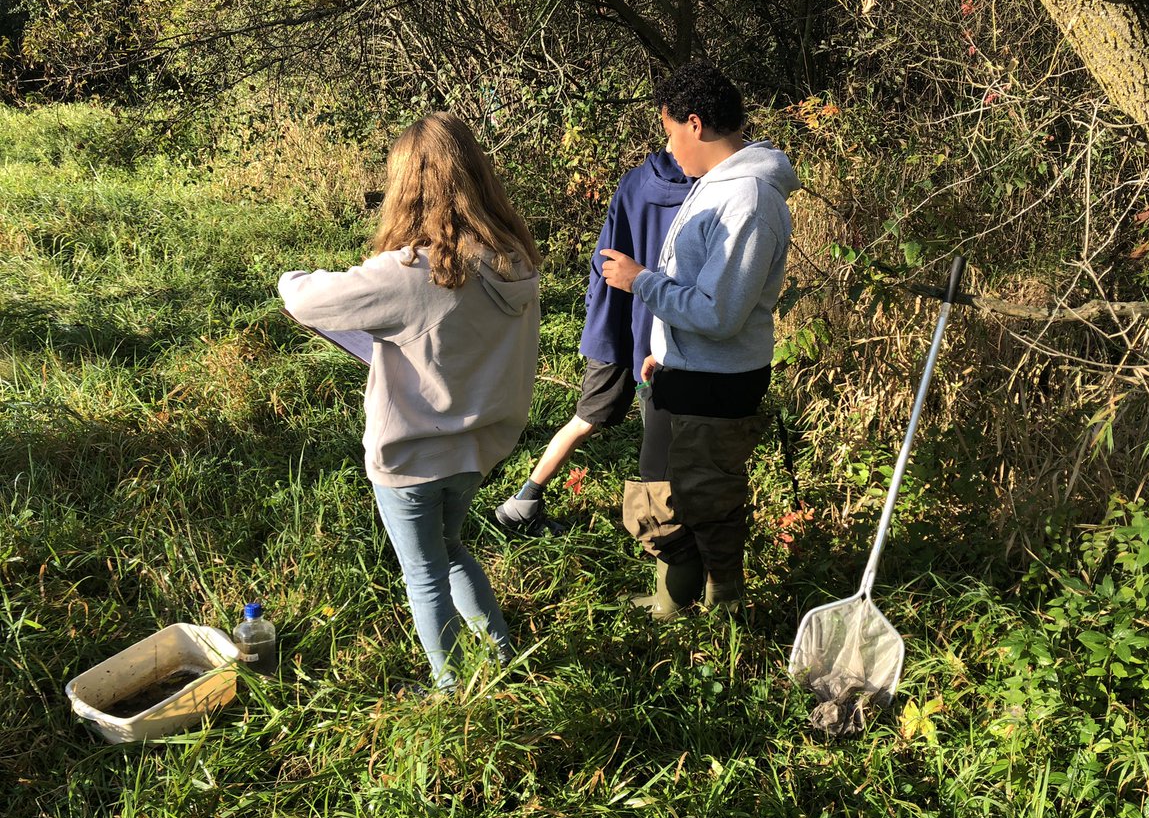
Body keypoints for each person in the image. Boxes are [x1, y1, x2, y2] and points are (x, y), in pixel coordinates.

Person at [278, 112, 541, 691]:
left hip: (410, 459)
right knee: (451, 549)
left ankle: (452, 692)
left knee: (423, 575)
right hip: (478, 449)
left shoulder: (413, 273)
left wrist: (288, 276)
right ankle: (501, 659)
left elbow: (302, 297)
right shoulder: (513, 260)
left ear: (407, 187)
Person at [601, 60, 800, 618]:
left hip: (719, 381)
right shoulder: (714, 187)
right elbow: (697, 288)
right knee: (659, 494)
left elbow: (721, 313)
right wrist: (661, 350)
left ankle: (720, 605)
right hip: (683, 371)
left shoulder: (750, 202)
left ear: (693, 124)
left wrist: (640, 281)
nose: (668, 150)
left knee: (706, 499)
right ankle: (677, 596)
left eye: (668, 133)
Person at [493, 148, 694, 534]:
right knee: (664, 441)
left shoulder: (634, 182)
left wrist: (597, 310)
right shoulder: (706, 189)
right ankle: (666, 544)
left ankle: (525, 500)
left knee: (586, 420)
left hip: (616, 323)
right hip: (667, 332)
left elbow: (601, 253)